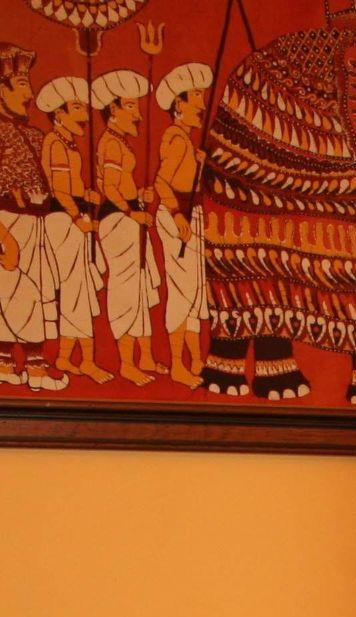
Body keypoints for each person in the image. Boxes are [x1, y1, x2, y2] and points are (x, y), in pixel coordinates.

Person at [0, 40, 62, 391]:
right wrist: (7, 239)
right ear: (1, 89)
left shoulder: (34, 135)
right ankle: (37, 371)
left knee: (17, 300)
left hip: (34, 224)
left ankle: (4, 365)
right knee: (22, 297)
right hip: (0, 224)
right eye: (22, 85)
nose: (30, 94)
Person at [34, 76, 109, 386]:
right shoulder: (54, 142)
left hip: (74, 216)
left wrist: (87, 196)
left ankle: (66, 357)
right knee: (76, 290)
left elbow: (72, 187)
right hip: (63, 220)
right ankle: (87, 361)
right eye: (77, 107)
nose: (85, 115)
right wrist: (78, 215)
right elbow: (59, 189)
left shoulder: (68, 144)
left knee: (80, 289)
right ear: (59, 113)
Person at [93, 69, 162, 385]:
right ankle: (126, 363)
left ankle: (145, 356)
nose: (137, 114)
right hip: (118, 220)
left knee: (141, 287)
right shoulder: (110, 143)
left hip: (129, 215)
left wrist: (138, 196)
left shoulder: (119, 142)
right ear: (113, 109)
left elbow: (121, 184)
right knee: (125, 288)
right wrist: (131, 210)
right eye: (131, 106)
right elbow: (109, 187)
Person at [152, 61, 213, 388]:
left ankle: (197, 360)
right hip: (178, 215)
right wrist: (176, 215)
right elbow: (162, 183)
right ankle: (178, 364)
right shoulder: (176, 139)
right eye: (196, 97)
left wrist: (198, 163)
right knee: (182, 290)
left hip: (191, 214)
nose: (202, 104)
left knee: (195, 290)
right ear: (180, 103)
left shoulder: (186, 141)